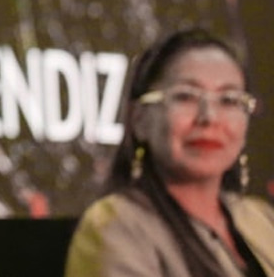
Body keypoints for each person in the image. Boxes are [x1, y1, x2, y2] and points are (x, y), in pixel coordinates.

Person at [65, 28, 274, 276]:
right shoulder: (117, 225)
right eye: (186, 96)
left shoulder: (259, 218)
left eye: (228, 100)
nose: (209, 117)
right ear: (140, 119)